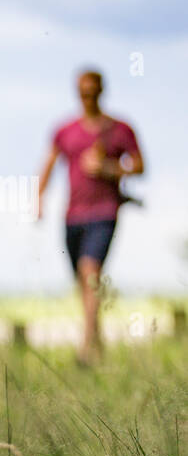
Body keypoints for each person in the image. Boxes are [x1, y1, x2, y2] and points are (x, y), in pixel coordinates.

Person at [36, 68, 144, 366]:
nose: (87, 98)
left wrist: (109, 169)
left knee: (89, 271)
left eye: (92, 92)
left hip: (105, 212)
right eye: (83, 93)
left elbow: (139, 165)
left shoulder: (120, 129)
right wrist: (38, 198)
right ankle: (97, 340)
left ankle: (85, 349)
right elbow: (48, 162)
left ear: (101, 92)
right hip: (72, 215)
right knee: (83, 282)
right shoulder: (65, 130)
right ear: (77, 93)